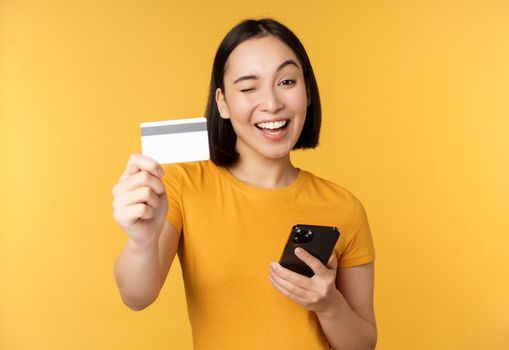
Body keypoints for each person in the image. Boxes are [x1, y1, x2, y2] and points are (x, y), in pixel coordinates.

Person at [113, 17, 377, 350]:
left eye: (286, 81)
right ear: (222, 103)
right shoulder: (182, 185)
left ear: (307, 91)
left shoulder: (344, 207)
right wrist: (141, 240)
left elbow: (363, 344)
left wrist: (329, 304)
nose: (271, 103)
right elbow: (136, 296)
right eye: (249, 87)